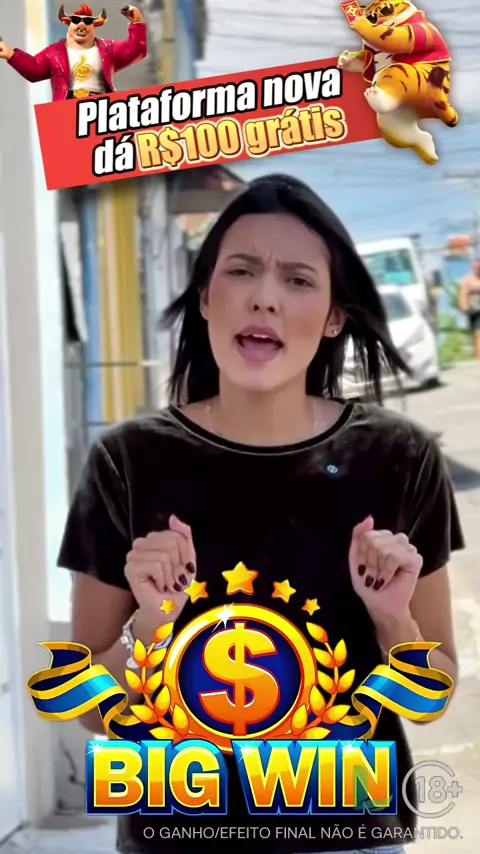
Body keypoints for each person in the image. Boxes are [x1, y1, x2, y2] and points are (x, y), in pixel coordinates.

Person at [58, 174, 463, 854]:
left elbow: (435, 694)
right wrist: (152, 625)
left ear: (334, 316)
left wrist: (393, 620)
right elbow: (92, 710)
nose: (264, 297)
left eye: (298, 280)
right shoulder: (126, 461)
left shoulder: (399, 458)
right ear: (206, 298)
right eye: (242, 270)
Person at [0, 4, 147, 101]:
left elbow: (135, 50)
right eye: (76, 20)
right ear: (68, 24)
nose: (82, 24)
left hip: (102, 108)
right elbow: (34, 70)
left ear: (94, 26)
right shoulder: (54, 52)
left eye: (88, 22)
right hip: (67, 109)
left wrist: (137, 23)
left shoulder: (109, 48)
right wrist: (11, 55)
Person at [458, 258, 480, 359]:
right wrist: (463, 307)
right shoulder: (467, 280)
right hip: (473, 309)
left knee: (478, 332)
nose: (477, 269)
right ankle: (477, 353)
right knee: (476, 332)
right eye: (476, 267)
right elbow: (463, 294)